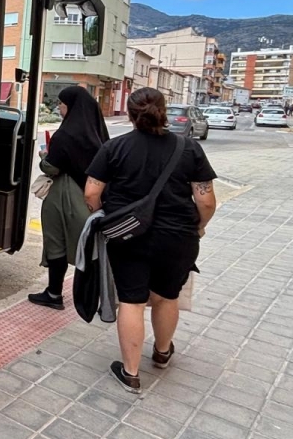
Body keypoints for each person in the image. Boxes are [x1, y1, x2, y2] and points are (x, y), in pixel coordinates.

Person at [84, 87, 218, 393]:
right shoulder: (189, 149)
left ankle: (130, 372)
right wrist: (198, 227)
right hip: (178, 236)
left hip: (128, 235)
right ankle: (161, 352)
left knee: (131, 299)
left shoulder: (114, 148)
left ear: (130, 114)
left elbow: (91, 193)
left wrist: (105, 217)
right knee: (166, 296)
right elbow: (207, 200)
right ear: (164, 110)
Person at [29, 86, 109, 309]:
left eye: (62, 104)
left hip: (66, 197)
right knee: (90, 250)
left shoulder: (65, 134)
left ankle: (54, 293)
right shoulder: (97, 132)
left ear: (72, 107)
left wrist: (44, 157)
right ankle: (99, 297)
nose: (59, 108)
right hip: (92, 199)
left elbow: (52, 167)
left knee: (57, 245)